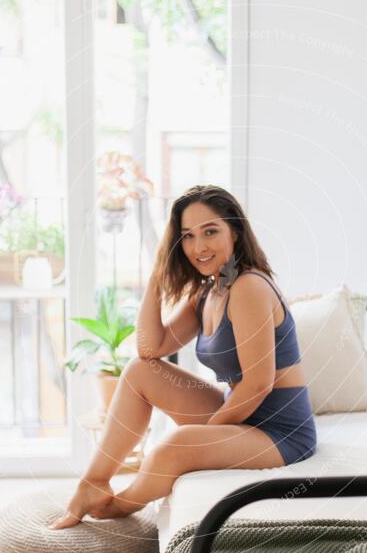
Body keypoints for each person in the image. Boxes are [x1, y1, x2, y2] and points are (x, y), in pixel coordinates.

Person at [50, 185, 316, 529]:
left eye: (210, 231)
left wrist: (207, 435)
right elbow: (150, 349)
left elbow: (258, 384)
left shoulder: (248, 286)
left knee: (174, 445)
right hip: (239, 414)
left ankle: (119, 505)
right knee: (138, 372)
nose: (199, 246)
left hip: (279, 431)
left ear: (234, 231)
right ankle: (93, 483)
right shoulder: (210, 290)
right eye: (188, 236)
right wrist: (158, 276)